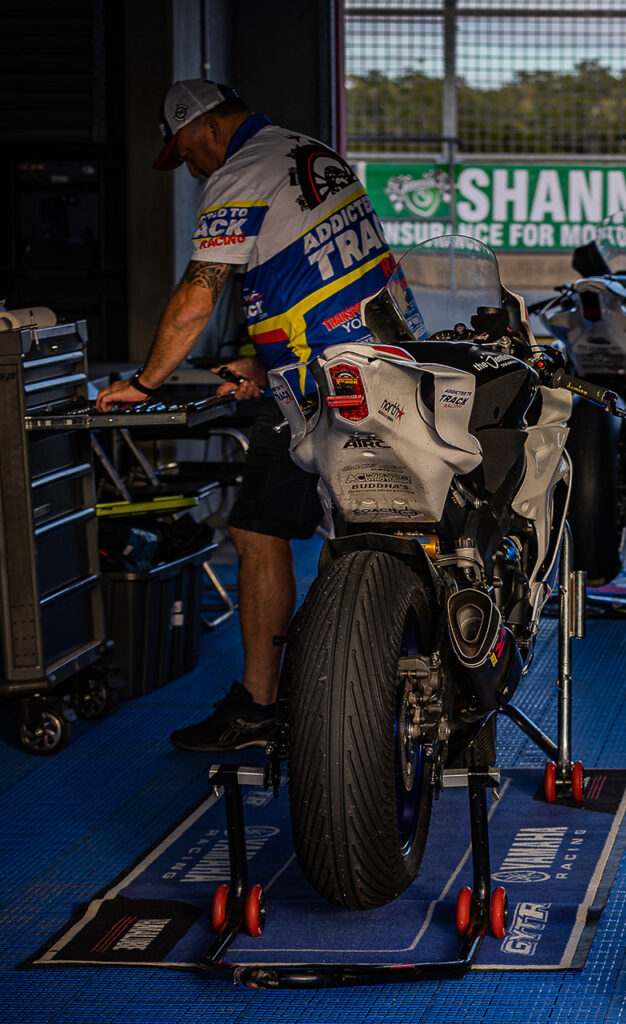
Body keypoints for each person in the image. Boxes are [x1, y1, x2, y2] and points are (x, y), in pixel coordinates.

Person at [97, 79, 400, 750]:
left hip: (319, 385)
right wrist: (263, 362)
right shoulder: (309, 152)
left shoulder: (240, 172)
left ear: (205, 128)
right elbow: (331, 276)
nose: (192, 171)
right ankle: (355, 696)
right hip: (375, 366)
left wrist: (146, 383)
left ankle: (268, 708)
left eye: (187, 154)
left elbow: (197, 295)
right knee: (361, 533)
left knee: (262, 530)